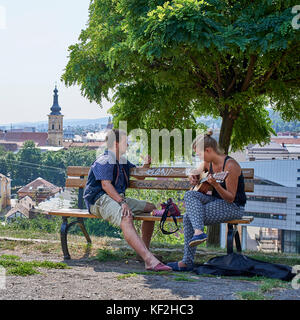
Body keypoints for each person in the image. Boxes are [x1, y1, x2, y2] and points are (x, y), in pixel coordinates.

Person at [83, 129, 172, 272]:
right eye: (126, 142)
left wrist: (146, 164)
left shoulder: (122, 161)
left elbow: (140, 176)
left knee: (150, 208)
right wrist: (122, 203)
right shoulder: (104, 161)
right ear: (117, 144)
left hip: (116, 198)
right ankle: (149, 260)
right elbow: (105, 185)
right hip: (99, 200)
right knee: (127, 217)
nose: (128, 145)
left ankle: (142, 253)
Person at [167, 130, 247, 271]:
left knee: (187, 217)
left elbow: (230, 198)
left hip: (233, 206)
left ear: (208, 150)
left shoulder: (230, 166)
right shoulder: (207, 163)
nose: (199, 158)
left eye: (199, 154)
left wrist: (216, 184)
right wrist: (192, 176)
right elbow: (194, 172)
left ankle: (187, 262)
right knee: (189, 195)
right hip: (215, 201)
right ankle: (198, 233)